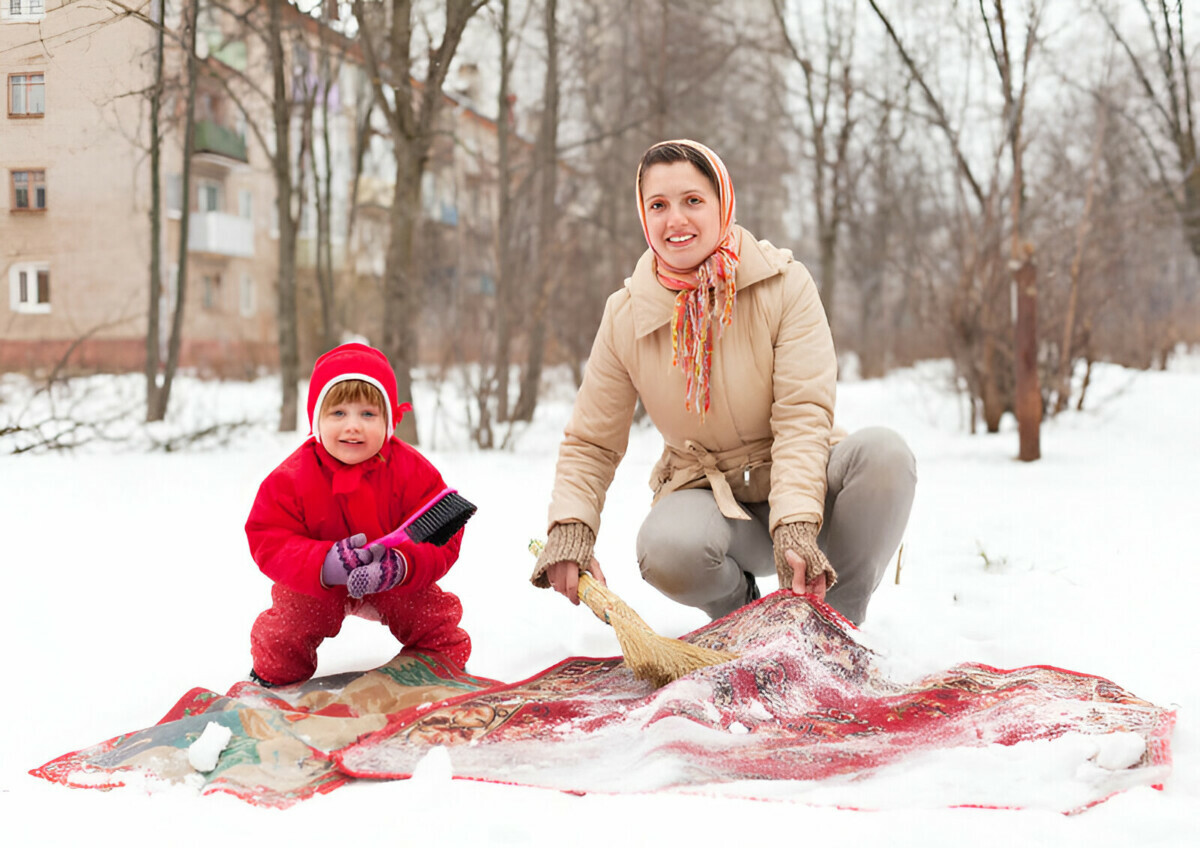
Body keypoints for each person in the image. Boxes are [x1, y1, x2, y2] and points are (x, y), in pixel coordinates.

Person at [531, 139, 916, 626]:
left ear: (723, 203)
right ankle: (743, 621)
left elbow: (803, 415)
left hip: (801, 484)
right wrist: (571, 529)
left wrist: (797, 521)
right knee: (665, 546)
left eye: (693, 200)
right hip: (714, 502)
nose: (676, 220)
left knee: (885, 454)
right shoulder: (628, 315)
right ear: (642, 214)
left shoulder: (784, 284)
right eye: (659, 205)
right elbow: (592, 440)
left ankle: (836, 625)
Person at [245, 342, 470, 686]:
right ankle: (274, 678)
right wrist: (323, 564)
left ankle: (441, 664)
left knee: (428, 611)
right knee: (289, 622)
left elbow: (444, 533)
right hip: (319, 584)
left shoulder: (411, 471)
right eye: (338, 414)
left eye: (368, 414)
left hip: (390, 577)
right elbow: (268, 537)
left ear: (389, 421)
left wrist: (404, 566)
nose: (353, 426)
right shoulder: (292, 478)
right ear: (316, 419)